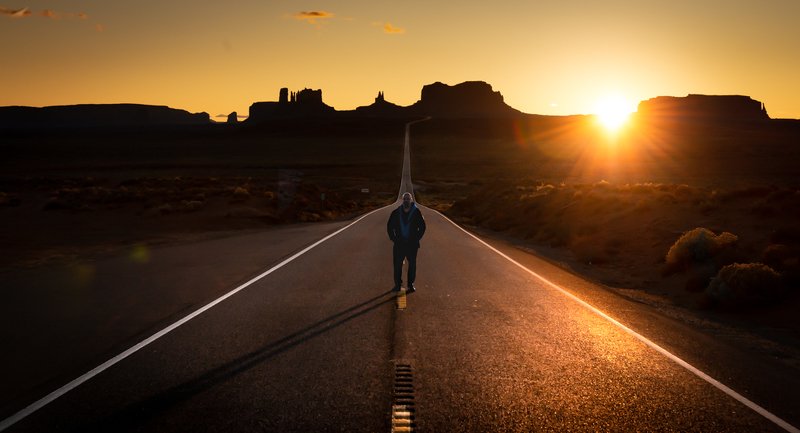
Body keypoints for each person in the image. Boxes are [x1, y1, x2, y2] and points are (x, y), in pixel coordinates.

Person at [387, 192, 426, 293]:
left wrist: (416, 238)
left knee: (412, 265)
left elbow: (422, 227)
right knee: (397, 265)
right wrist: (394, 238)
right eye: (405, 199)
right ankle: (397, 285)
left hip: (412, 245)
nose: (406, 201)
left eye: (408, 199)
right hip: (399, 244)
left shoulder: (417, 212)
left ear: (411, 200)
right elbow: (389, 227)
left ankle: (410, 284)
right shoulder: (395, 213)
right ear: (402, 200)